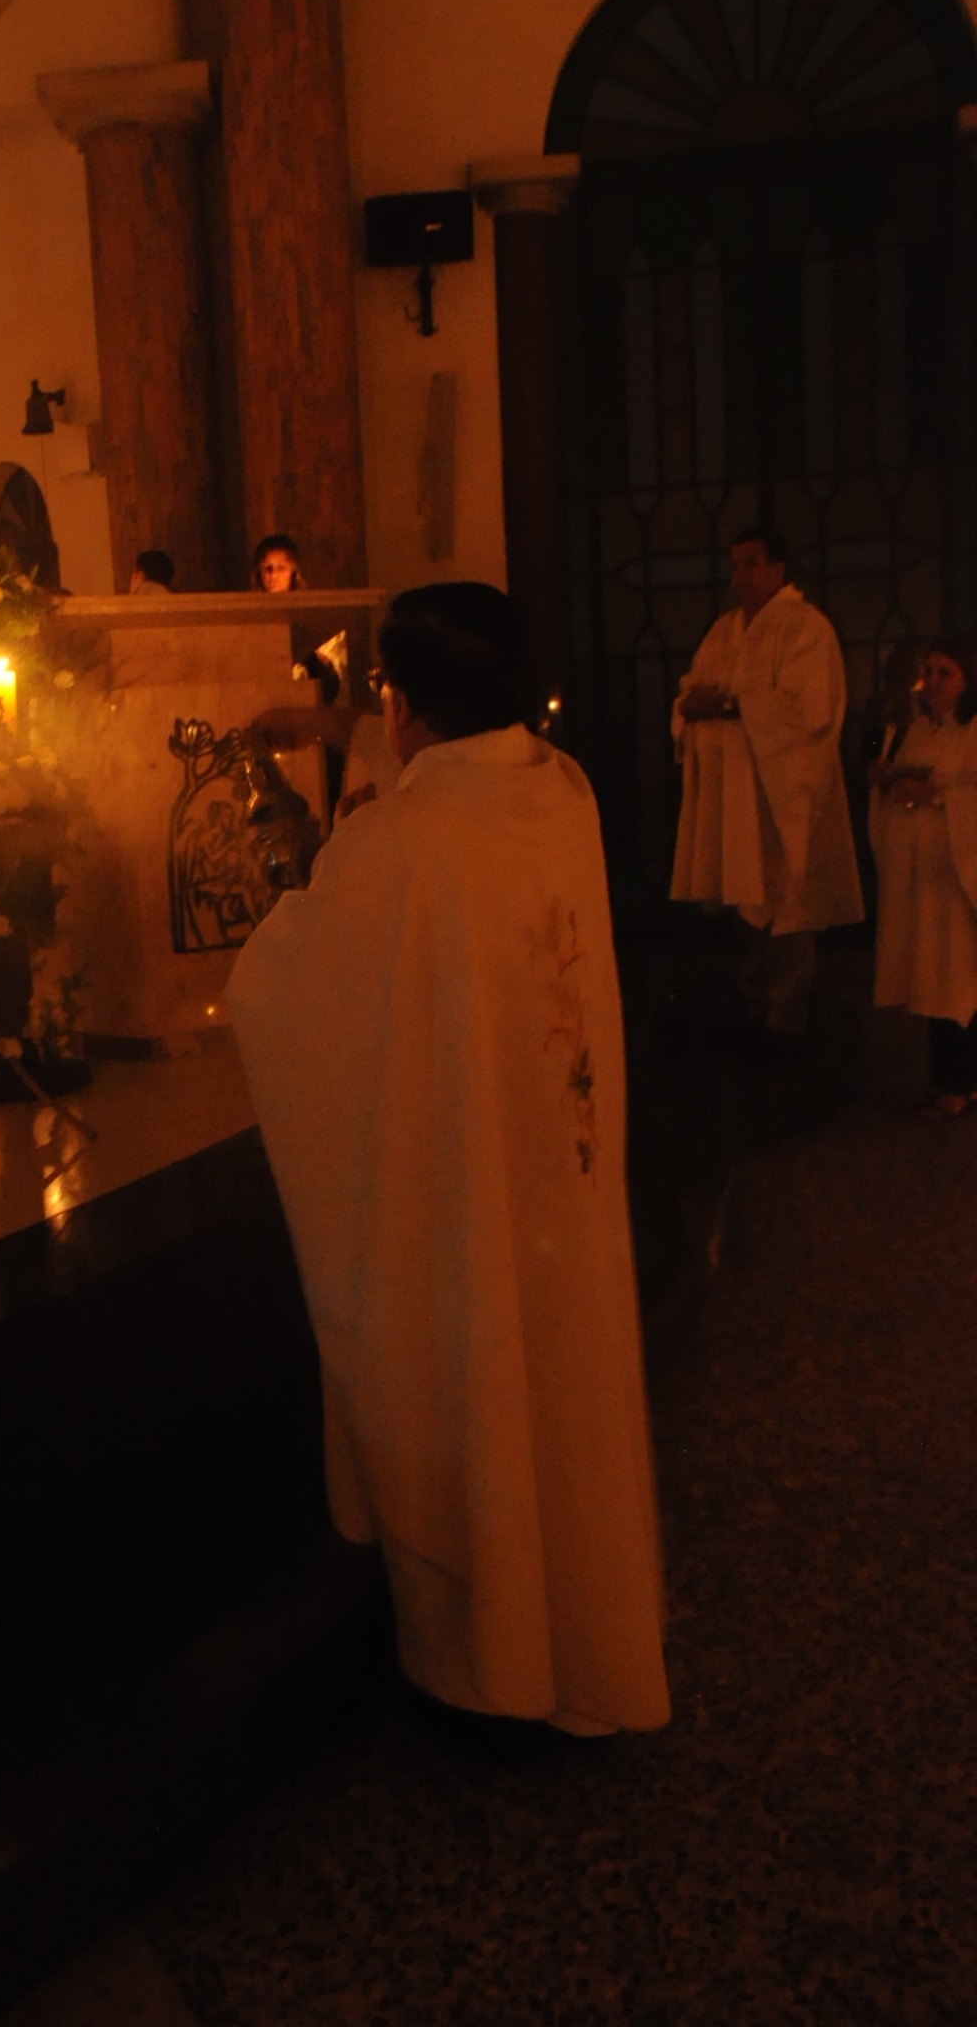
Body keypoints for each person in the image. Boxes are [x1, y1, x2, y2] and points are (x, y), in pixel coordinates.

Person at [227, 582, 670, 1736]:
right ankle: (586, 1647)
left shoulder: (402, 839)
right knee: (564, 1394)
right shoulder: (557, 789)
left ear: (401, 699)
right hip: (559, 1175)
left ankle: (491, 1668)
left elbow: (279, 993)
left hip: (470, 1188)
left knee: (475, 1385)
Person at [670, 528, 863, 1042]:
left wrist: (730, 704)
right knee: (743, 889)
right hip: (735, 792)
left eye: (751, 564)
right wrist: (690, 705)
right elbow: (695, 685)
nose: (740, 576)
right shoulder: (724, 631)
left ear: (778, 569)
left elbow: (807, 709)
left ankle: (788, 1013)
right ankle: (755, 1000)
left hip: (782, 790)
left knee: (786, 893)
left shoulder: (806, 628)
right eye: (734, 565)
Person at [870, 640, 977, 1115]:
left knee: (961, 974)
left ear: (966, 681)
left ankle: (966, 1082)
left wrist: (938, 795)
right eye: (928, 672)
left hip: (961, 877)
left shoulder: (973, 733)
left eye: (944, 673)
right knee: (933, 974)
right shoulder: (916, 732)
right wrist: (889, 783)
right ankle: (944, 1076)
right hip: (927, 877)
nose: (931, 682)